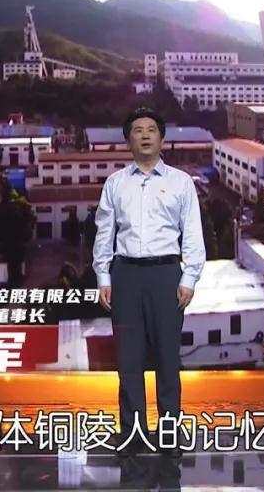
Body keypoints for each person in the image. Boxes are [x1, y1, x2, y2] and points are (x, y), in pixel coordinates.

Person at [92, 107, 206, 457]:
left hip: (166, 275)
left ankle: (169, 434)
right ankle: (133, 434)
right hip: (125, 275)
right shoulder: (115, 183)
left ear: (161, 137)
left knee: (168, 359)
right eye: (137, 130)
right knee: (128, 360)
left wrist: (189, 277)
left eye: (151, 129)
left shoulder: (181, 182)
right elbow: (104, 232)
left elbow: (193, 233)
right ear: (128, 140)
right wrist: (103, 276)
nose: (144, 135)